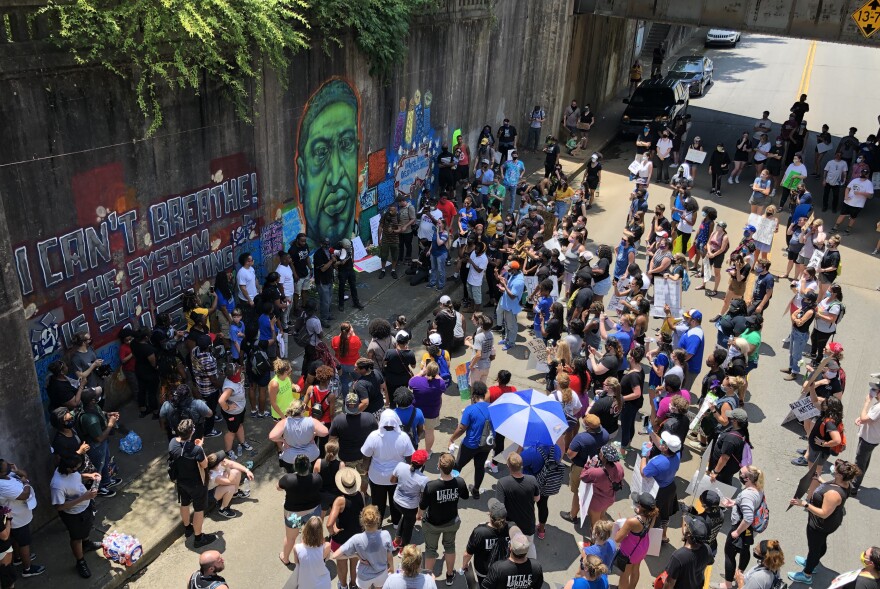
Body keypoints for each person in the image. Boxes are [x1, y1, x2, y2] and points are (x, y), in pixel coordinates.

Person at [788, 460, 859, 585]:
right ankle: (812, 561)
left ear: (840, 475)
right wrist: (820, 479)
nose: (833, 469)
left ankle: (807, 573)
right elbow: (831, 487)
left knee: (814, 548)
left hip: (820, 525)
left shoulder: (833, 494)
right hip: (830, 523)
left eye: (835, 470)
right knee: (819, 544)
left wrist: (804, 504)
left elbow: (823, 513)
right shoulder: (844, 483)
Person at [168, 419, 217, 549]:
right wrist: (200, 447)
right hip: (196, 484)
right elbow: (205, 464)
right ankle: (198, 537)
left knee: (184, 503)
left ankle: (187, 528)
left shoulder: (172, 443)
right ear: (192, 432)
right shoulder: (196, 450)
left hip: (181, 481)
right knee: (198, 510)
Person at [421, 453, 469, 583]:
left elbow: (423, 505)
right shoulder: (459, 482)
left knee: (430, 550)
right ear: (453, 468)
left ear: (438, 467)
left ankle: (427, 580)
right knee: (449, 546)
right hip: (451, 521)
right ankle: (449, 575)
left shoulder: (431, 486)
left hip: (433, 524)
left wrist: (419, 514)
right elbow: (465, 496)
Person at [361, 410, 415, 524]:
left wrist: (365, 470)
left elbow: (366, 457)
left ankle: (378, 524)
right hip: (396, 477)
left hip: (377, 477)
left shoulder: (373, 436)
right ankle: (396, 523)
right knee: (396, 501)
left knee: (377, 503)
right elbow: (410, 458)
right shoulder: (403, 437)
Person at [717, 466, 765, 589]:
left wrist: (737, 532)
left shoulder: (747, 495)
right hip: (750, 530)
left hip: (741, 527)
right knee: (745, 549)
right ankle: (739, 573)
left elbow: (748, 518)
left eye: (741, 474)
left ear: (747, 478)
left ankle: (727, 584)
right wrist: (735, 502)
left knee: (729, 554)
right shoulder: (758, 489)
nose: (739, 475)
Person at [332, 504, 394, 589]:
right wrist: (392, 568)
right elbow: (389, 556)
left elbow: (335, 555)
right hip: (382, 573)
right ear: (378, 519)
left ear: (362, 521)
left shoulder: (356, 539)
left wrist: (356, 555)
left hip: (364, 577)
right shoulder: (386, 535)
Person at [0, 460, 43, 579]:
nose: (9, 467)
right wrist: (26, 483)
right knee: (24, 543)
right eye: (6, 467)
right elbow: (24, 495)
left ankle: (18, 558)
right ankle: (27, 569)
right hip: (17, 520)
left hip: (20, 517)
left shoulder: (8, 475)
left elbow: (24, 474)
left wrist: (16, 470)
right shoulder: (2, 485)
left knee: (17, 541)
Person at [562, 414, 609, 523]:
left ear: (587, 427)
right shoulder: (605, 434)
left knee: (578, 492)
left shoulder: (580, 438)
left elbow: (570, 454)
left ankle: (572, 515)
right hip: (598, 467)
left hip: (581, 468)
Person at [277, 454, 322, 566]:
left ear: (295, 466)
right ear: (309, 466)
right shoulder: (317, 478)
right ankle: (307, 558)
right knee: (311, 535)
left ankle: (285, 558)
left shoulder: (288, 479)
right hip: (312, 511)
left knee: (291, 537)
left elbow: (278, 487)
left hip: (293, 514)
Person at [449, 382, 492, 498]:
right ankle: (476, 490)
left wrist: (452, 438)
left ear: (474, 395)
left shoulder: (470, 409)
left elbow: (462, 428)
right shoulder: (493, 408)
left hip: (470, 445)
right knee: (479, 466)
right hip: (486, 445)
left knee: (457, 465)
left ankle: (452, 489)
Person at [75, 388, 121, 497]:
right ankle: (99, 489)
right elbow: (99, 438)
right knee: (98, 468)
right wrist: (110, 424)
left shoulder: (89, 406)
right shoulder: (91, 420)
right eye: (95, 396)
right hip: (96, 446)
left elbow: (99, 411)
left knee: (105, 462)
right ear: (92, 401)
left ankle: (106, 481)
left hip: (102, 444)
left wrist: (107, 414)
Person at [640, 432, 681, 543]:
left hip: (658, 491)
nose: (661, 442)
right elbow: (661, 446)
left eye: (664, 442)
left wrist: (644, 456)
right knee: (665, 515)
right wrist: (652, 433)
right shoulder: (677, 455)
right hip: (670, 488)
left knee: (653, 515)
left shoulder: (657, 463)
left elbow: (643, 472)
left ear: (666, 447)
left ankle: (649, 540)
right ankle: (663, 536)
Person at [614, 493, 659, 589]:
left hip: (630, 552)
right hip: (642, 548)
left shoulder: (632, 521)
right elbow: (649, 527)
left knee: (624, 574)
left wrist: (620, 529)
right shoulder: (652, 515)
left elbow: (618, 538)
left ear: (640, 506)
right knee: (636, 569)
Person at [463, 498, 511, 585]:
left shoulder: (480, 532)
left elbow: (468, 554)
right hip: (503, 570)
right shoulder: (511, 529)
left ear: (490, 514)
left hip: (483, 571)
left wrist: (465, 565)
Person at [578, 445, 624, 529]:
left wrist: (589, 465)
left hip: (597, 502)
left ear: (602, 456)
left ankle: (596, 540)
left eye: (600, 452)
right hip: (610, 498)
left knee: (595, 525)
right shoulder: (619, 467)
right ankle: (609, 531)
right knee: (602, 515)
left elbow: (583, 476)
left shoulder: (596, 472)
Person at [390, 449, 429, 549]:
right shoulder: (423, 479)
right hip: (410, 507)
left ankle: (396, 541)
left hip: (396, 501)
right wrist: (420, 513)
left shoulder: (400, 466)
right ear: (423, 463)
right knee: (408, 527)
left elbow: (392, 480)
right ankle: (403, 549)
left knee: (404, 517)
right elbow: (422, 498)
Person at [659, 516, 712, 589]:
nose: (685, 525)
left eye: (687, 526)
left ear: (688, 534)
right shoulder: (707, 549)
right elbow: (706, 565)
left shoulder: (678, 556)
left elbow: (669, 583)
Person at [409, 362, 446, 456]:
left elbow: (410, 382)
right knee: (429, 432)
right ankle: (428, 451)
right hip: (432, 413)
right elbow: (443, 384)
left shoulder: (416, 381)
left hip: (416, 412)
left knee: (413, 430)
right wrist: (436, 374)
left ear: (427, 370)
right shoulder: (440, 384)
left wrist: (421, 372)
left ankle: (411, 449)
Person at [708, 408, 753, 485]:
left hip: (724, 469)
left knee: (720, 484)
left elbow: (724, 458)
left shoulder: (730, 439)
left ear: (735, 421)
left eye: (731, 417)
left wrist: (715, 472)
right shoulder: (742, 430)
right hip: (732, 466)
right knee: (726, 481)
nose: (729, 418)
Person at [218, 362, 252, 460]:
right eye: (238, 370)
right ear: (234, 373)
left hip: (240, 410)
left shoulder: (235, 378)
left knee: (240, 425)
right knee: (232, 431)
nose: (240, 370)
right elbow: (221, 400)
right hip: (232, 413)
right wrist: (228, 407)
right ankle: (228, 451)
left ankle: (242, 442)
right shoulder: (230, 387)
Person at [851, 379, 880, 496]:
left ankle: (853, 488)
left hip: (868, 439)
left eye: (875, 390)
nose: (872, 392)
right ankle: (856, 482)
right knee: (864, 461)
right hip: (872, 438)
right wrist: (862, 418)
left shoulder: (879, 407)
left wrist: (866, 402)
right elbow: (868, 419)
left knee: (860, 462)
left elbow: (865, 419)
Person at [205, 451, 252, 518]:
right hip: (210, 494)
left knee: (236, 472)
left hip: (218, 485)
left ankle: (235, 493)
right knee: (231, 487)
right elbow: (232, 481)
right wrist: (227, 468)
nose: (224, 460)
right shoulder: (213, 475)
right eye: (222, 460)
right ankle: (223, 508)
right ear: (217, 465)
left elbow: (233, 464)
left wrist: (247, 471)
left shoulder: (219, 465)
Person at [294, 516, 333, 589]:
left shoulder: (297, 548)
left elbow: (297, 564)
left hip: (304, 583)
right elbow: (327, 558)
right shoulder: (327, 546)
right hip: (323, 583)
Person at [833, 167, 874, 234]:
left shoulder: (869, 183)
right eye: (863, 173)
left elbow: (870, 196)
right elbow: (847, 188)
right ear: (860, 173)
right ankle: (835, 227)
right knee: (842, 214)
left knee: (853, 217)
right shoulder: (855, 180)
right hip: (848, 201)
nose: (863, 174)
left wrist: (861, 193)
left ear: (867, 175)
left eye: (865, 173)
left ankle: (848, 230)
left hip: (858, 204)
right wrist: (846, 196)